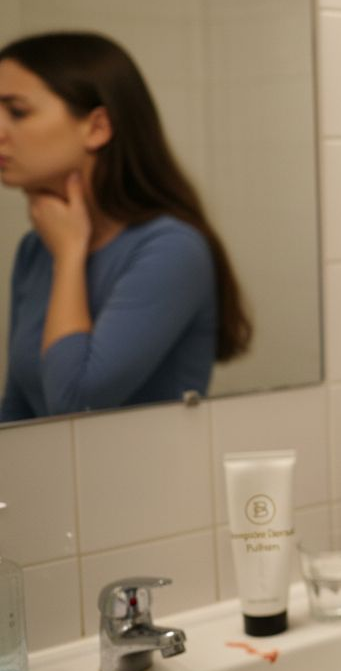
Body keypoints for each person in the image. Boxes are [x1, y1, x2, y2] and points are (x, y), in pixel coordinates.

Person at [0, 32, 250, 421]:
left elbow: (74, 405)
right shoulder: (36, 248)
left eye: (17, 112)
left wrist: (69, 257)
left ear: (97, 127)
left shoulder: (172, 250)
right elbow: (19, 414)